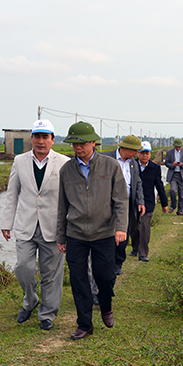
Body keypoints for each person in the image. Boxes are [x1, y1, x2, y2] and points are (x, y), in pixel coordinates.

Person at [56, 122, 128, 340]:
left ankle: (106, 305)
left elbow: (121, 201)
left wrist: (121, 228)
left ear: (93, 142)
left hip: (104, 232)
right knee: (78, 280)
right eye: (74, 144)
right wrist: (61, 235)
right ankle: (85, 324)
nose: (78, 147)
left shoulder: (110, 166)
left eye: (82, 143)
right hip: (75, 233)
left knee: (104, 277)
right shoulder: (66, 170)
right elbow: (62, 206)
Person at [1, 119, 70, 331]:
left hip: (54, 227)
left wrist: (68, 229)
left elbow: (69, 198)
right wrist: (7, 222)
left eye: (45, 137)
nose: (41, 141)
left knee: (51, 273)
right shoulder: (20, 161)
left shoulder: (64, 162)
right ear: (32, 138)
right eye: (37, 136)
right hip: (26, 225)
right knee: (24, 267)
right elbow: (12, 193)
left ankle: (47, 314)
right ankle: (30, 300)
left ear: (52, 140)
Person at [101, 135, 145, 275]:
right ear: (126, 148)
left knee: (123, 234)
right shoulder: (105, 158)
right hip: (106, 204)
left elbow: (137, 183)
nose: (136, 154)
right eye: (135, 151)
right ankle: (106, 262)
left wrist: (140, 201)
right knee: (107, 234)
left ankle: (118, 263)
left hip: (126, 204)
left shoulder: (134, 164)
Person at [132, 141, 168, 262]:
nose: (144, 155)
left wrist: (164, 203)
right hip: (133, 201)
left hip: (148, 202)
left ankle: (143, 253)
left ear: (150, 154)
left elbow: (159, 186)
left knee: (145, 227)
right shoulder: (132, 166)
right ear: (137, 153)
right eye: (142, 153)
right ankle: (135, 247)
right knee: (133, 227)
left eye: (146, 153)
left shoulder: (155, 168)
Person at [165, 138, 183, 215]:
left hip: (182, 174)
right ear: (174, 146)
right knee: (173, 190)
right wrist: (172, 165)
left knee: (182, 195)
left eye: (179, 147)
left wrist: (182, 164)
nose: (178, 148)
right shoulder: (169, 152)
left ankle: (180, 210)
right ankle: (173, 205)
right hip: (173, 174)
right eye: (176, 146)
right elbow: (166, 163)